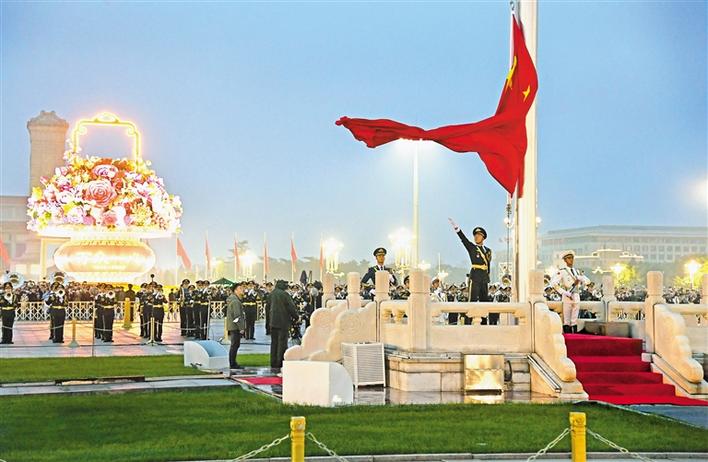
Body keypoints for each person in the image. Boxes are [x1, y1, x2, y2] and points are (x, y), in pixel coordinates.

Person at [448, 218, 497, 325]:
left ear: (483, 237)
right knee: (472, 300)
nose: (476, 237)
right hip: (475, 276)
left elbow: (488, 265)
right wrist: (457, 229)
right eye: (475, 235)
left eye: (478, 235)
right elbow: (464, 240)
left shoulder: (488, 250)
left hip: (484, 277)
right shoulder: (472, 248)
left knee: (485, 301)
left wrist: (488, 276)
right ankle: (468, 323)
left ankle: (484, 324)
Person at [551, 250, 590, 333]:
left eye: (572, 258)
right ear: (565, 260)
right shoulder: (562, 271)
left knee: (574, 319)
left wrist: (581, 279)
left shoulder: (577, 271)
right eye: (568, 258)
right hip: (567, 295)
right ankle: (568, 336)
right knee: (567, 320)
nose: (571, 260)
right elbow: (554, 283)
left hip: (576, 295)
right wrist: (563, 292)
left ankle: (575, 336)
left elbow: (587, 281)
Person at [268, 280, 299, 370]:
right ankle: (280, 362)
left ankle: (273, 362)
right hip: (283, 321)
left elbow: (268, 307)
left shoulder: (271, 294)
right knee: (282, 343)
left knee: (274, 343)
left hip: (273, 321)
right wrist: (296, 317)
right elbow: (291, 307)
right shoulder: (285, 295)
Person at [225, 282, 247, 369]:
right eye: (240, 288)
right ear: (235, 290)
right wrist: (241, 327)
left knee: (234, 345)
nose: (243, 290)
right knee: (235, 345)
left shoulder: (234, 300)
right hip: (235, 326)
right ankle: (233, 363)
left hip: (233, 325)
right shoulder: (235, 301)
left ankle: (233, 362)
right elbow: (237, 316)